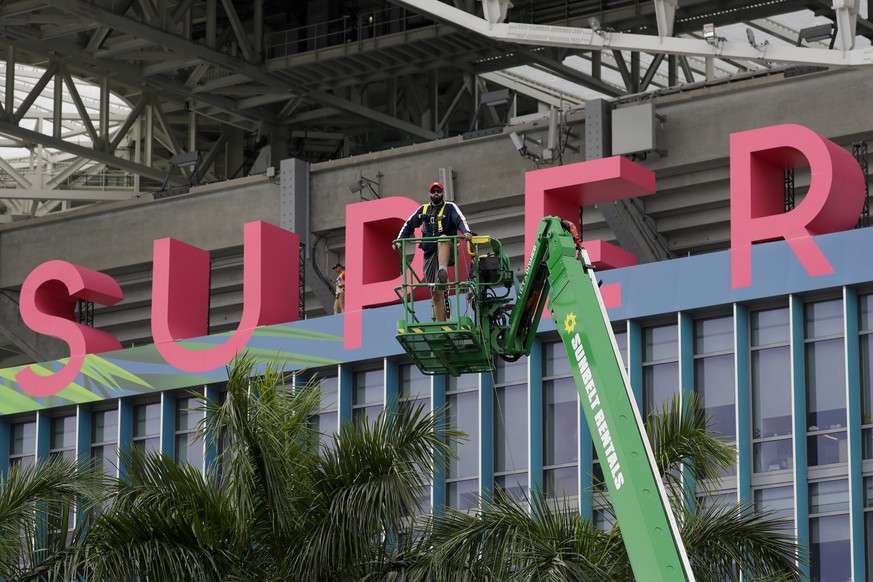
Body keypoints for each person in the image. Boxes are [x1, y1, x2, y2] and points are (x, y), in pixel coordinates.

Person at [394, 181, 472, 321]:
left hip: (447, 250)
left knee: (442, 238)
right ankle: (442, 326)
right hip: (429, 253)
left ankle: (442, 271)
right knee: (436, 294)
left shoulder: (450, 207)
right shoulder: (423, 210)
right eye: (433, 191)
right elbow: (408, 225)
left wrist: (466, 232)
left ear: (443, 192)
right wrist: (400, 240)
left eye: (439, 190)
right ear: (429, 193)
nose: (436, 193)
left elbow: (460, 219)